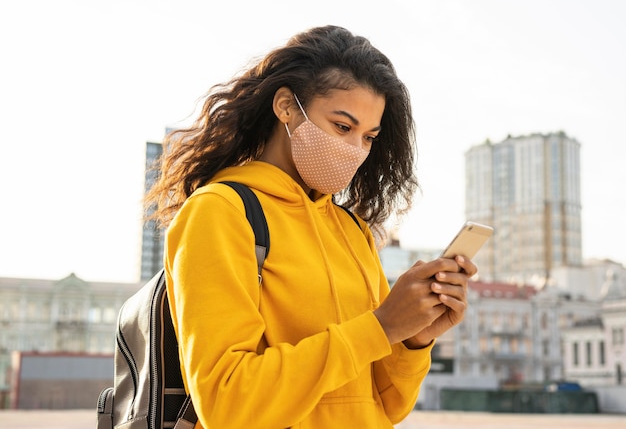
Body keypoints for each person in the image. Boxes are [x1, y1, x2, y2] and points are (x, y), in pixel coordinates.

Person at [145, 25, 477, 429]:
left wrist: (414, 336)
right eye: (342, 126)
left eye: (369, 137)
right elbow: (226, 403)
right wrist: (381, 326)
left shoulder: (353, 231)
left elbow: (387, 407)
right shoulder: (220, 212)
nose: (356, 150)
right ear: (286, 106)